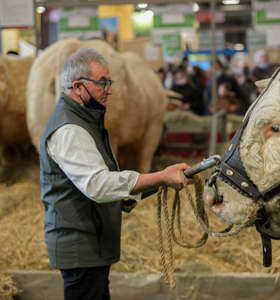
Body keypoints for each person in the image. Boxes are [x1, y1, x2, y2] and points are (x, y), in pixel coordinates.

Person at [39, 47, 192, 300]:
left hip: (90, 243)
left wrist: (142, 189)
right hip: (80, 246)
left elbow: (100, 184)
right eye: (102, 83)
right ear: (78, 87)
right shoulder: (69, 128)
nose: (109, 89)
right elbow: (99, 185)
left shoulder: (85, 121)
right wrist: (161, 176)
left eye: (109, 82)